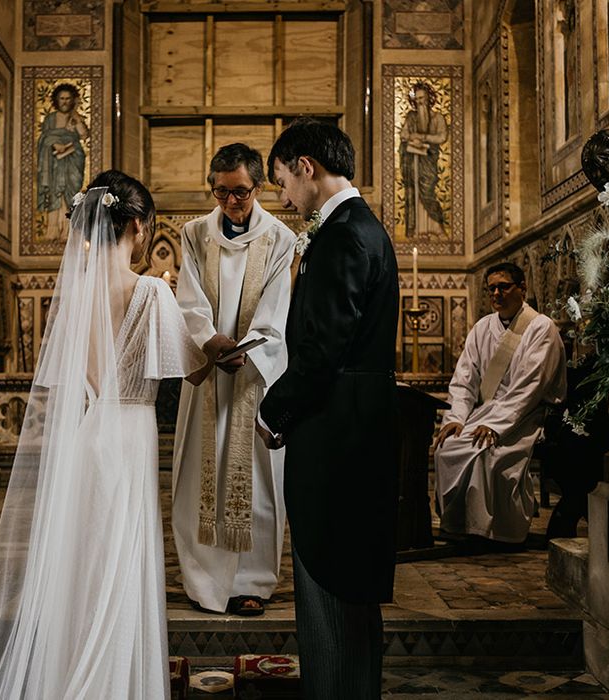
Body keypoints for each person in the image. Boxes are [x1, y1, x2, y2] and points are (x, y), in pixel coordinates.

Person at [0, 170, 207, 699]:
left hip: (85, 435)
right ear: (138, 227)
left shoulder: (72, 296)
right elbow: (193, 370)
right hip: (129, 435)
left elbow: (63, 372)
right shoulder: (150, 290)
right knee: (121, 564)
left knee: (84, 564)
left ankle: (72, 674)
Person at [258, 118, 400, 699]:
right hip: (356, 430)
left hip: (338, 438)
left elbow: (321, 351)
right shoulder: (362, 227)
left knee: (331, 586)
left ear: (306, 166)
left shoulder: (342, 235)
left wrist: (274, 411)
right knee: (349, 595)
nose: (284, 198)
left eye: (282, 182)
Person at [172, 143, 295, 616]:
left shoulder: (281, 239)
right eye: (220, 193)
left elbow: (276, 310)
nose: (230, 203)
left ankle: (251, 582)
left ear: (258, 187)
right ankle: (203, 580)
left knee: (257, 483)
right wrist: (208, 341)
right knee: (200, 476)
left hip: (252, 377)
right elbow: (188, 298)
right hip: (208, 373)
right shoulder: (194, 232)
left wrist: (250, 347)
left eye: (240, 192)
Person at [434, 262, 567, 544]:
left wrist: (494, 425)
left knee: (485, 452)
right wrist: (456, 418)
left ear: (522, 289)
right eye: (492, 288)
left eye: (503, 287)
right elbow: (464, 378)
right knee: (447, 446)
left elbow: (530, 386)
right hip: (487, 412)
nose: (496, 293)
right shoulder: (483, 327)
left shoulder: (541, 328)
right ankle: (458, 523)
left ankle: (495, 529)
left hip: (527, 415)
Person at [37, 83, 89, 240]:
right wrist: (54, 144)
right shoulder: (50, 119)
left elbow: (84, 135)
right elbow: (44, 139)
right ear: (56, 100)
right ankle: (52, 231)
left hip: (73, 160)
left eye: (68, 99)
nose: (65, 102)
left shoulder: (75, 117)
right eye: (62, 99)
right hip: (53, 162)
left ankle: (69, 233)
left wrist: (77, 120)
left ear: (73, 100)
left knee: (71, 193)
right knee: (55, 194)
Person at [399, 80, 447, 237]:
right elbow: (404, 134)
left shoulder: (437, 117)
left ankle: (436, 226)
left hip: (429, 159)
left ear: (429, 98)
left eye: (423, 98)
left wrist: (424, 137)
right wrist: (411, 137)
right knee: (414, 191)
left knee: (427, 191)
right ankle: (418, 229)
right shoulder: (411, 117)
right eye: (417, 99)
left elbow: (442, 136)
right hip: (413, 160)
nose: (420, 102)